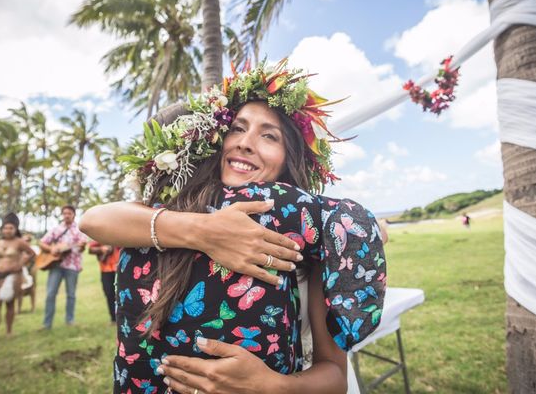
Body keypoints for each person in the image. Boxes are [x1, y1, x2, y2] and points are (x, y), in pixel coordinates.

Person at [81, 62, 386, 393]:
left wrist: (273, 386)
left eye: (269, 135)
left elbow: (335, 377)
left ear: (290, 158)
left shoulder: (308, 235)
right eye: (238, 129)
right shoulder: (175, 207)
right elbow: (95, 220)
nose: (245, 142)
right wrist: (204, 231)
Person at [40, 205, 89, 329]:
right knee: (51, 293)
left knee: (71, 294)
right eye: (65, 213)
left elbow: (81, 248)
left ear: (74, 215)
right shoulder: (56, 229)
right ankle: (47, 323)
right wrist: (52, 249)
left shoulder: (79, 230)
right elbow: (42, 242)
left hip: (72, 266)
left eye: (69, 213)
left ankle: (70, 320)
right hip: (56, 265)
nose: (67, 215)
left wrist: (82, 246)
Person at [0, 213, 35, 341]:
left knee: (9, 304)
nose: (7, 230)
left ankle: (9, 331)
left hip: (12, 277)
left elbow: (31, 253)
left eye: (10, 228)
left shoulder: (19, 242)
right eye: (5, 228)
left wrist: (19, 264)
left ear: (15, 229)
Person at [88, 240, 120, 323]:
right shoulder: (102, 233)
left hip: (120, 267)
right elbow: (90, 249)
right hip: (106, 269)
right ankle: (113, 318)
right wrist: (102, 249)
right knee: (109, 293)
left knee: (122, 293)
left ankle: (122, 317)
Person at [18, 234, 38, 314]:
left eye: (28, 240)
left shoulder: (34, 249)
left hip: (31, 270)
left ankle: (33, 307)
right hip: (22, 271)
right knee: (20, 289)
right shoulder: (20, 250)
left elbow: (35, 257)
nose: (27, 242)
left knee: (32, 289)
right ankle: (19, 309)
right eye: (25, 240)